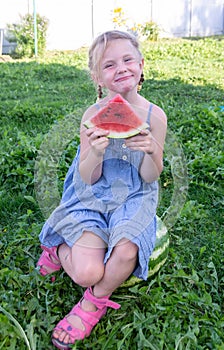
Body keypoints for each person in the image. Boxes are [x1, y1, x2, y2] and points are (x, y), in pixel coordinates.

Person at [36, 30, 167, 349]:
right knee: (87, 272)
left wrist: (152, 151)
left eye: (127, 59)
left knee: (125, 250)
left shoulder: (155, 116)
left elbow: (150, 176)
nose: (121, 68)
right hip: (92, 195)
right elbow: (88, 177)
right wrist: (94, 151)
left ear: (141, 64)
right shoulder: (92, 116)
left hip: (135, 194)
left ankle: (92, 305)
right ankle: (58, 249)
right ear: (97, 77)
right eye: (109, 65)